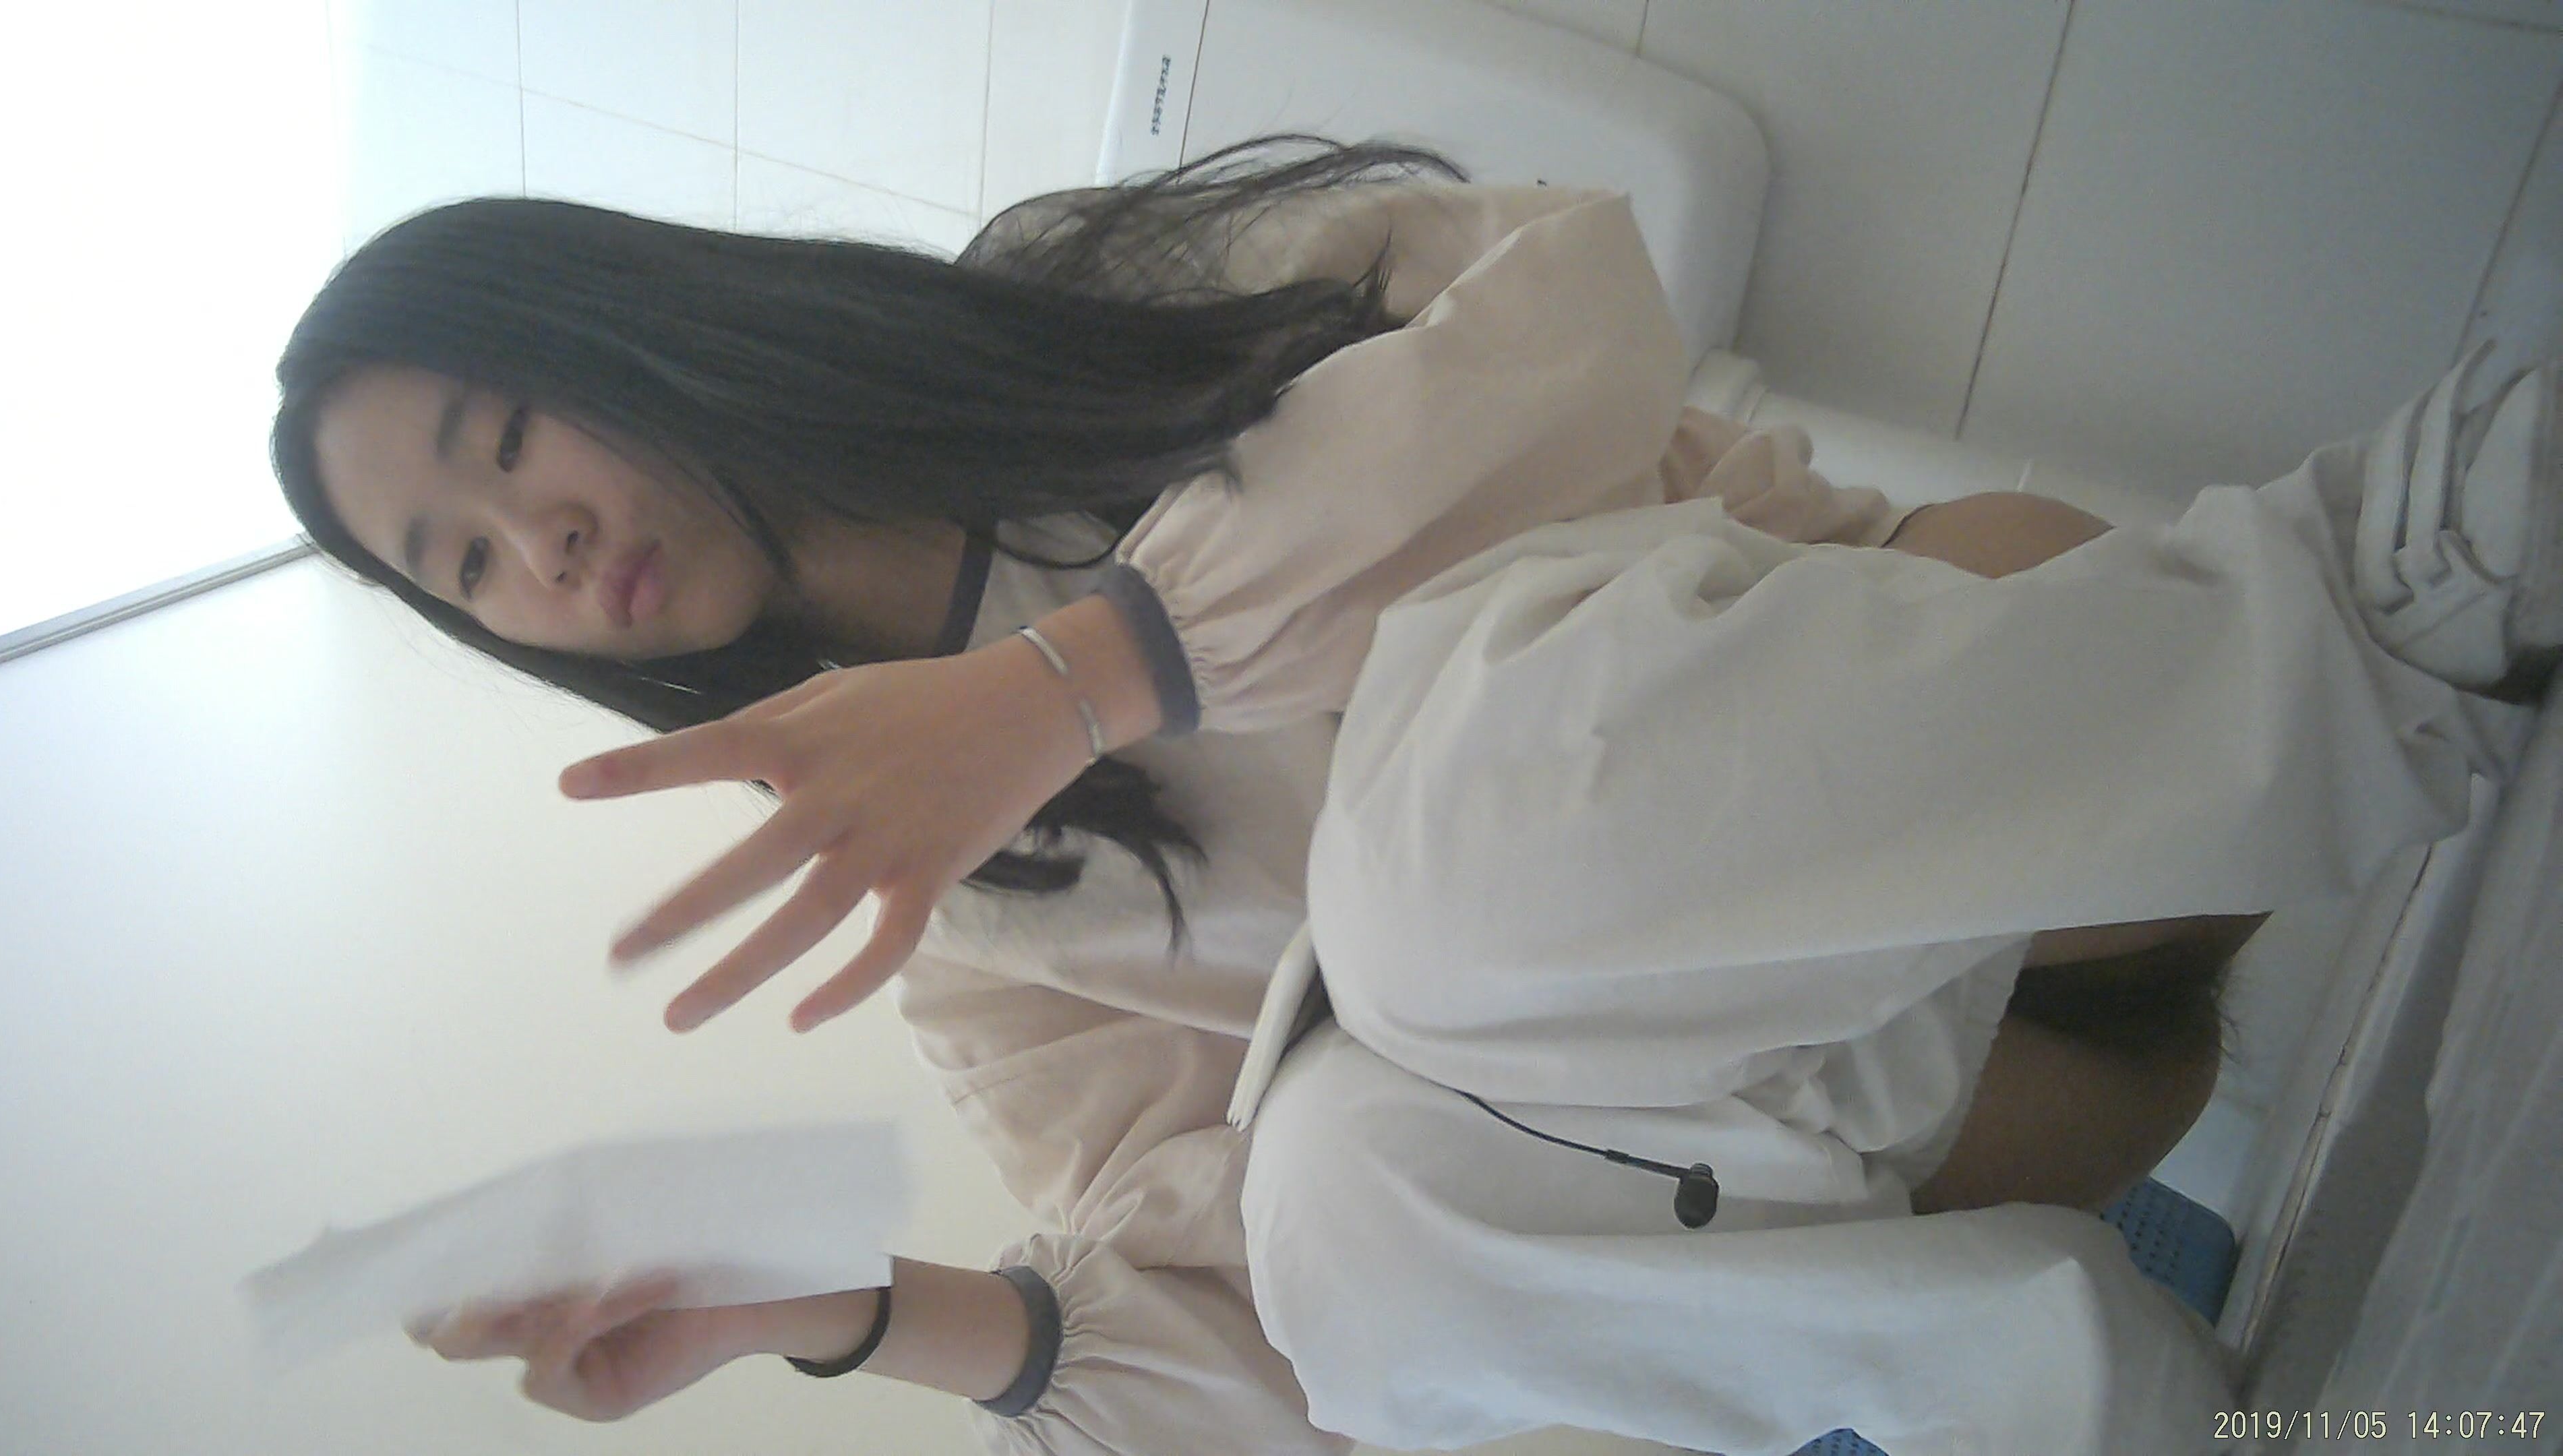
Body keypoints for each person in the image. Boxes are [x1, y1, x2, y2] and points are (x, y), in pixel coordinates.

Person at [274, 137, 2556, 1453]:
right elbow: (1269, 1351)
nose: (535, 547)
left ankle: (2404, 582)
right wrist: (830, 1309)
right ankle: (2124, 1417)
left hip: (2048, 753)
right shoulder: (968, 924)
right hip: (1957, 1120)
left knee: (1435, 843)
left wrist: (1072, 680)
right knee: (1334, 1197)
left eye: (504, 444)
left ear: (617, 330)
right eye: (463, 567)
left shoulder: (1079, 304)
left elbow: (1569, 322)